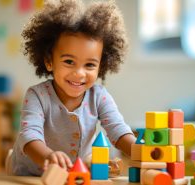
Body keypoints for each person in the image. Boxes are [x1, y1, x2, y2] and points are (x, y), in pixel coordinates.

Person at [11, 0, 136, 176]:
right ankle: (11, 157)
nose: (79, 73)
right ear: (49, 61)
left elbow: (118, 129)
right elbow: (29, 134)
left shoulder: (99, 96)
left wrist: (140, 150)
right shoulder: (37, 95)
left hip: (74, 174)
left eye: (90, 65)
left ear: (101, 65)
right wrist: (48, 156)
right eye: (69, 62)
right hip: (31, 174)